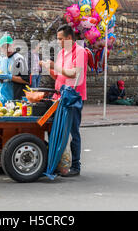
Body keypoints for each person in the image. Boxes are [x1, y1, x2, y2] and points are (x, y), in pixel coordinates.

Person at [40, 24, 88, 177]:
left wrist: (56, 67)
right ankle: (57, 162)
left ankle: (75, 165)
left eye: (61, 39)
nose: (58, 42)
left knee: (73, 131)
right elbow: (58, 76)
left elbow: (75, 74)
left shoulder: (80, 52)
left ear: (69, 38)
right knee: (56, 130)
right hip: (59, 95)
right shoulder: (61, 53)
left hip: (73, 97)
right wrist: (49, 69)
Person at [0, 35, 29, 105]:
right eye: (4, 47)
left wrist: (9, 77)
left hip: (16, 100)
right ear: (1, 48)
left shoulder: (19, 59)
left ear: (13, 45)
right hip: (2, 99)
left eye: (9, 46)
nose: (7, 49)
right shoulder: (0, 59)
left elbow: (26, 80)